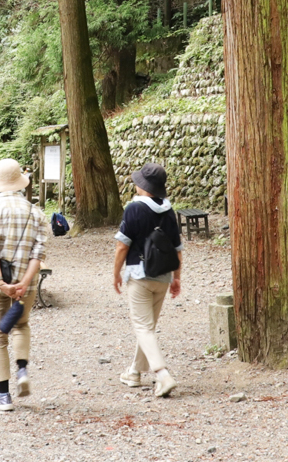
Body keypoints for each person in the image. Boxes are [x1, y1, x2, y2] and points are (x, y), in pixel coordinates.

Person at [0, 158, 47, 412]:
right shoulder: (36, 212)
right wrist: (23, 283)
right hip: (26, 283)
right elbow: (39, 254)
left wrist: (0, 282)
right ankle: (23, 370)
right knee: (21, 325)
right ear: (20, 182)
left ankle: (3, 396)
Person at [112, 162, 182, 398]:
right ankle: (134, 372)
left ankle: (163, 375)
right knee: (148, 328)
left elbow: (122, 246)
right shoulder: (169, 211)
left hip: (139, 276)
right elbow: (178, 249)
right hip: (163, 276)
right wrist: (177, 278)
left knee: (142, 327)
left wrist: (116, 274)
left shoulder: (134, 208)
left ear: (144, 186)